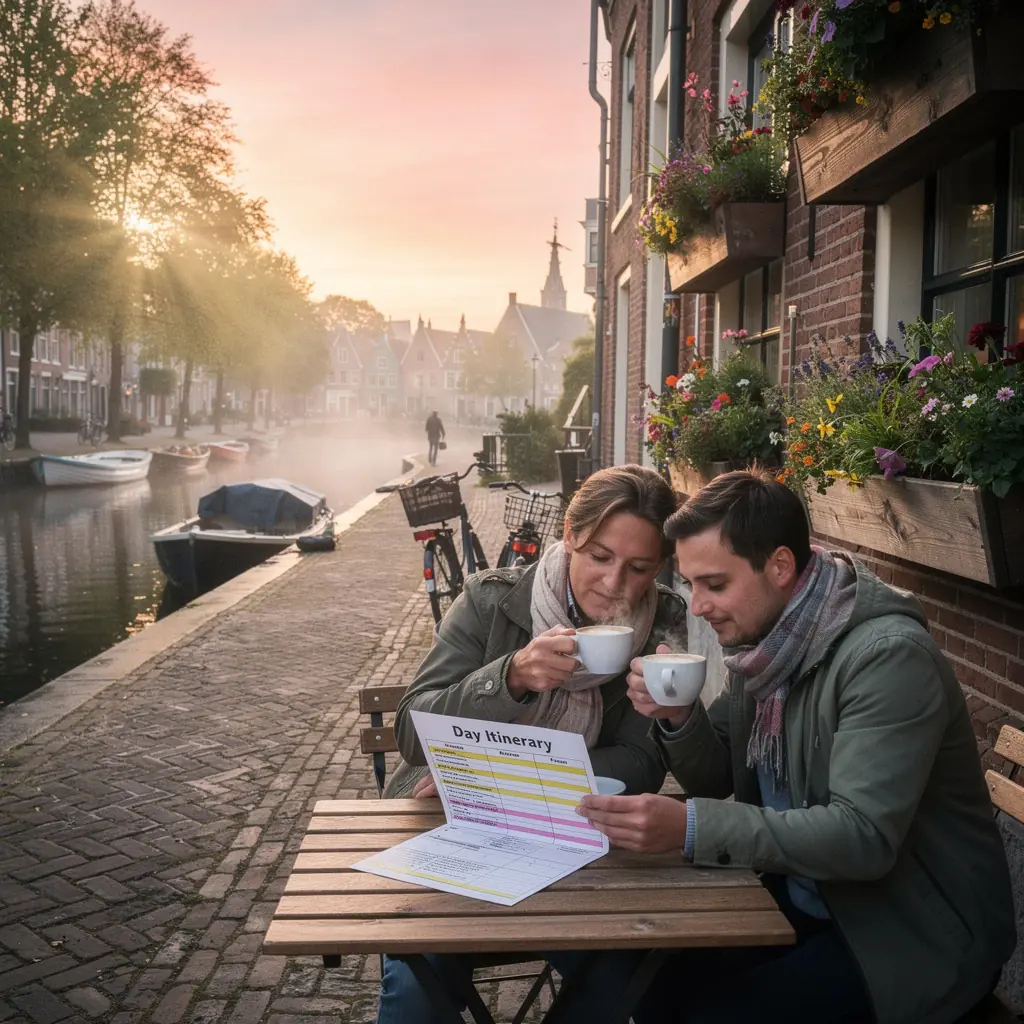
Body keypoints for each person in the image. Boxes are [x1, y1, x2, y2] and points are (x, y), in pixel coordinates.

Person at [578, 469, 1015, 1024]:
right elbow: (717, 779)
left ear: (780, 567)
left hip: (908, 934)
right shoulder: (767, 646)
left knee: (699, 1013)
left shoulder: (887, 658)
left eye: (715, 584)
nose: (699, 605)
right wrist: (678, 717)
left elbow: (863, 837)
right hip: (810, 898)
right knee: (643, 983)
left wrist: (691, 828)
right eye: (690, 585)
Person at [377, 464, 689, 1024]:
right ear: (570, 536)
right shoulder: (489, 601)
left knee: (626, 975)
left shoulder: (664, 620)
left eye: (639, 567)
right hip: (451, 819)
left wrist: (506, 780)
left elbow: (640, 763)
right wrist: (511, 677)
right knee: (419, 970)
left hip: (577, 841)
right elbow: (409, 731)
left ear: (659, 567)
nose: (615, 584)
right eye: (599, 556)